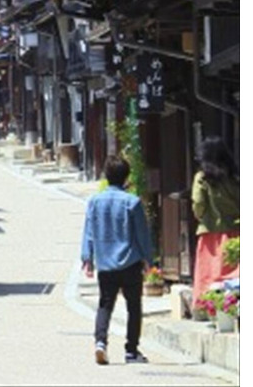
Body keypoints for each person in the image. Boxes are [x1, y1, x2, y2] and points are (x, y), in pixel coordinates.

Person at [81, 154, 153, 365]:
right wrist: (149, 259)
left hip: (105, 263)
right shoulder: (132, 202)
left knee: (105, 304)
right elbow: (142, 234)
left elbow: (88, 232)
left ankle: (100, 343)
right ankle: (131, 350)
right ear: (126, 177)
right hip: (130, 262)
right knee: (134, 306)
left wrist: (88, 258)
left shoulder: (94, 201)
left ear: (105, 175)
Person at [191, 136, 240, 304]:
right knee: (233, 273)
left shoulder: (202, 177)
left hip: (210, 231)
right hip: (235, 231)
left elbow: (198, 202)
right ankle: (232, 306)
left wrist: (200, 215)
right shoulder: (234, 176)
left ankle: (208, 306)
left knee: (209, 273)